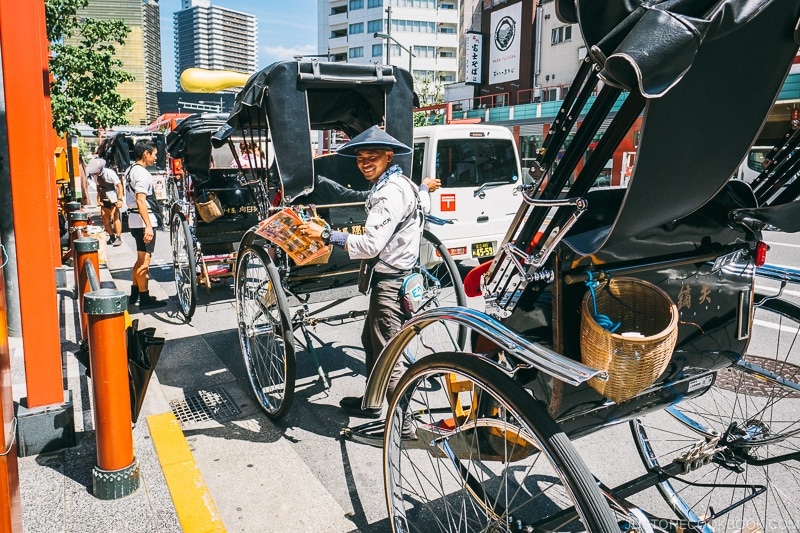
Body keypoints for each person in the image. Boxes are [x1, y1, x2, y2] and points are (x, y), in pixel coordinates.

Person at [301, 126, 440, 427]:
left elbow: (370, 245)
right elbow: (424, 204)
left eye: (372, 157)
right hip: (399, 278)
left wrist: (326, 233)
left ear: (388, 157)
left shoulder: (388, 194)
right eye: (361, 157)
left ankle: (402, 426)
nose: (365, 162)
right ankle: (372, 403)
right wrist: (426, 187)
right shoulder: (404, 183)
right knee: (370, 340)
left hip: (390, 285)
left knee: (389, 358)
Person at [125, 140, 167, 310]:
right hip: (143, 220)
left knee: (140, 258)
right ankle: (145, 297)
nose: (155, 158)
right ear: (145, 154)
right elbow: (141, 199)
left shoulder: (130, 170)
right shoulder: (142, 173)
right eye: (154, 154)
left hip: (134, 220)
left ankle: (135, 293)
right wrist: (148, 226)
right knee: (145, 261)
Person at [86, 157, 124, 246]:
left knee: (115, 217)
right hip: (104, 197)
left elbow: (119, 185)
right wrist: (98, 197)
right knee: (105, 219)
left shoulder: (109, 173)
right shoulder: (95, 176)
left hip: (113, 197)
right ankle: (111, 237)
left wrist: (120, 199)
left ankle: (118, 237)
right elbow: (98, 186)